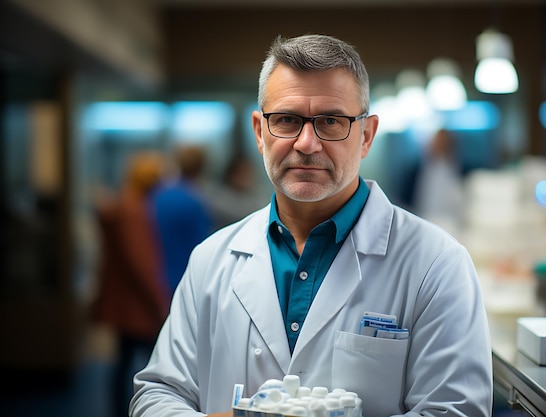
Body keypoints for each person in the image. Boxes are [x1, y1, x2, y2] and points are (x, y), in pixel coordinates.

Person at [130, 34, 492, 417]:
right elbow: (156, 396)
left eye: (331, 121)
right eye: (286, 120)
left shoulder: (437, 263)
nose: (306, 143)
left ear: (366, 135)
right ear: (259, 132)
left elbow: (456, 410)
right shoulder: (210, 260)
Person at [91, 150, 170, 417]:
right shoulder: (134, 210)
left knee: (123, 362)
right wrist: (159, 301)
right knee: (156, 365)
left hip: (123, 300)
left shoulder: (123, 204)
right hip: (137, 304)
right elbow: (141, 263)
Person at [152, 144, 216, 294]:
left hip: (157, 278)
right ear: (202, 167)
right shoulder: (194, 203)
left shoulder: (158, 195)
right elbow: (202, 245)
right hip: (185, 279)